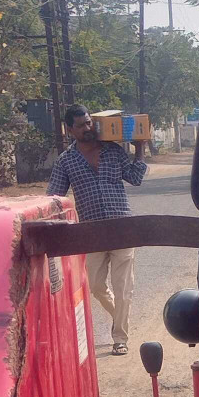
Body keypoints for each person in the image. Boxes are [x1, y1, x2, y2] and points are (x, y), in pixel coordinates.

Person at [47, 104, 147, 356]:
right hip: (91, 232)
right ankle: (120, 318)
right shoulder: (66, 161)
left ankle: (119, 338)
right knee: (96, 286)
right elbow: (54, 196)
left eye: (89, 122)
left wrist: (140, 149)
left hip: (122, 226)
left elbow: (135, 178)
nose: (87, 128)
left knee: (123, 286)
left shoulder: (113, 151)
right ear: (70, 130)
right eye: (81, 125)